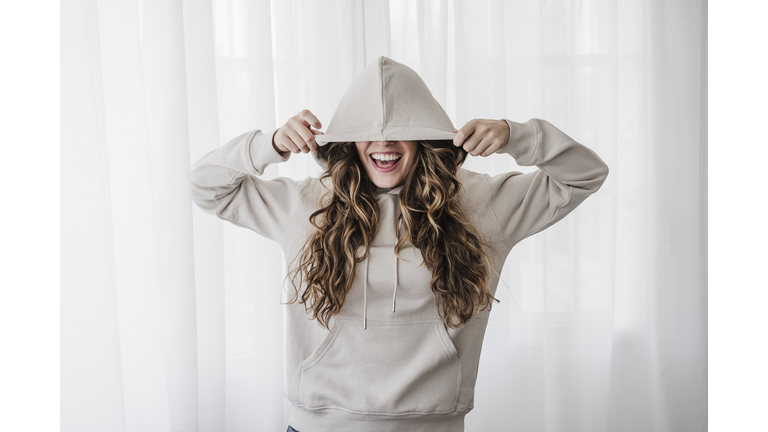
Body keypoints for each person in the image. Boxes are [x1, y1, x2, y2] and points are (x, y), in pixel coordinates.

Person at [190, 56, 609, 432]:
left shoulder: (480, 202)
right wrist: (269, 145)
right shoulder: (306, 205)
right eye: (367, 132)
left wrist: (516, 135)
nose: (385, 143)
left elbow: (585, 174)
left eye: (401, 131)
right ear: (349, 140)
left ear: (425, 136)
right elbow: (206, 187)